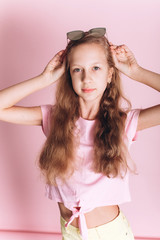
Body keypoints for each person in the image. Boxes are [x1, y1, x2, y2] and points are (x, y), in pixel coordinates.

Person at [0, 28, 159, 240]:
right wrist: (44, 78)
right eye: (77, 70)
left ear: (110, 74)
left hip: (110, 234)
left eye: (96, 68)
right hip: (70, 232)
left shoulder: (124, 123)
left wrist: (136, 72)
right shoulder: (55, 119)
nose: (87, 78)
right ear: (68, 75)